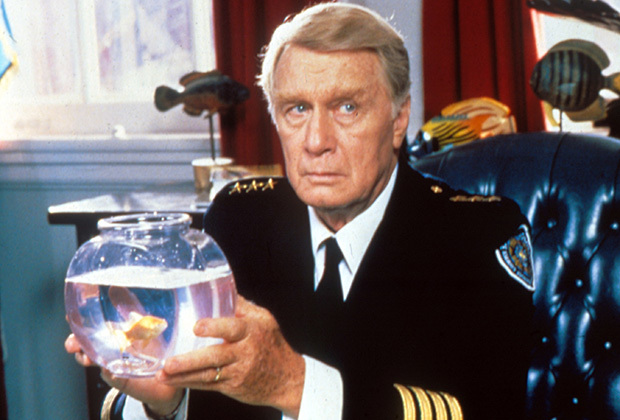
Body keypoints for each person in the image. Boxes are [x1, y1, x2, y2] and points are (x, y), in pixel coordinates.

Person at [66, 3, 535, 419]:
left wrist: (292, 384)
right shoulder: (242, 219)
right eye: (296, 109)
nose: (316, 141)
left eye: (347, 107)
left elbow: (488, 410)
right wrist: (167, 400)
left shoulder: (476, 234)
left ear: (398, 119)